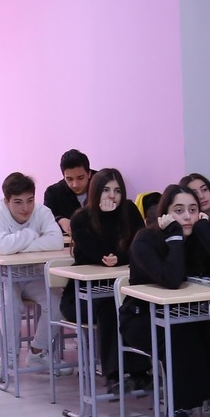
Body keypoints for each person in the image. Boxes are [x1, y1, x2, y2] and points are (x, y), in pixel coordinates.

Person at [124, 184, 210, 417]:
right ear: (165, 214)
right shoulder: (145, 240)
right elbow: (171, 279)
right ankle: (177, 413)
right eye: (179, 210)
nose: (187, 217)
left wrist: (204, 230)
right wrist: (174, 238)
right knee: (182, 336)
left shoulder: (197, 236)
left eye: (193, 211)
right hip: (142, 318)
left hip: (188, 315)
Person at [0, 171, 66, 387]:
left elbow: (56, 242)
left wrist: (16, 246)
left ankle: (38, 352)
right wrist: (32, 234)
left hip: (30, 273)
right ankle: (7, 359)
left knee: (58, 300)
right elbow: (2, 247)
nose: (26, 208)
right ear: (7, 201)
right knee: (10, 302)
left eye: (30, 200)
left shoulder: (42, 212)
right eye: (18, 202)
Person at [63, 167, 142, 389]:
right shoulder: (81, 219)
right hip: (81, 295)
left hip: (120, 288)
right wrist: (107, 218)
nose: (112, 196)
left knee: (132, 307)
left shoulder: (130, 211)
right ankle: (115, 374)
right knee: (110, 307)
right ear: (95, 191)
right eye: (106, 190)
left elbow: (141, 246)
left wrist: (121, 257)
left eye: (117, 191)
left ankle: (140, 371)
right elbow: (104, 255)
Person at [43, 149, 92, 239]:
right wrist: (60, 220)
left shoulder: (103, 185)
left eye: (80, 178)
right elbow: (44, 220)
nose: (75, 184)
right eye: (69, 179)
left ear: (89, 174)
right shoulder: (53, 192)